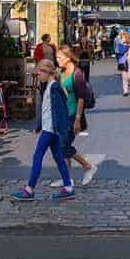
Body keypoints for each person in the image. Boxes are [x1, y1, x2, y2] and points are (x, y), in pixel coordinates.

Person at [12, 59, 75, 201]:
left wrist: (61, 129)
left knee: (38, 157)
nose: (38, 76)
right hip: (50, 129)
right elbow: (47, 110)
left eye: (39, 73)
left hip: (50, 130)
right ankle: (68, 188)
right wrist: (39, 125)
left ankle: (29, 189)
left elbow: (59, 111)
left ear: (46, 72)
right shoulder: (50, 86)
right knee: (59, 158)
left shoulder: (53, 88)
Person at [50, 45, 98, 188]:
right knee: (63, 147)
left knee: (63, 147)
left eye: (59, 57)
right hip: (62, 114)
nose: (57, 60)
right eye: (56, 57)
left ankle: (88, 166)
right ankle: (67, 179)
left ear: (68, 57)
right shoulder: (61, 72)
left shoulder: (77, 73)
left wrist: (77, 119)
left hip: (72, 114)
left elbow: (81, 98)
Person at [115, 30, 130, 96]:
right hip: (123, 62)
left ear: (127, 37)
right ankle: (125, 90)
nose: (122, 39)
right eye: (121, 37)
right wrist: (126, 46)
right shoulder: (119, 44)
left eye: (124, 37)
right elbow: (121, 52)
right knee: (124, 77)